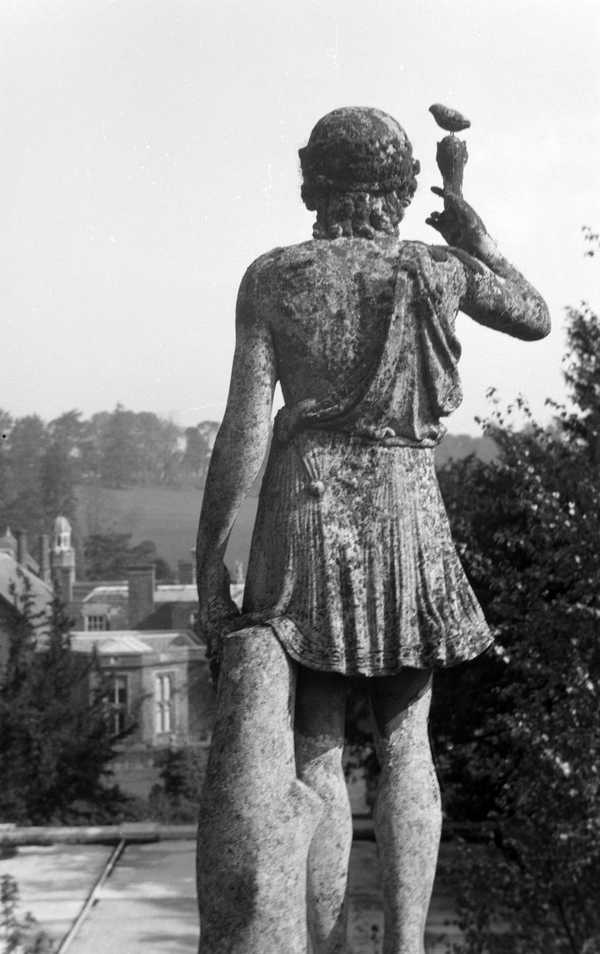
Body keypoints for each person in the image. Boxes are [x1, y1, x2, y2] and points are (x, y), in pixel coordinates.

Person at [196, 107, 550, 954]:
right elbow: (534, 314)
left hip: (309, 507)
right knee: (408, 739)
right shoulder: (439, 268)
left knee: (317, 743)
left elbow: (244, 429)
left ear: (312, 183)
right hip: (405, 502)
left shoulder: (275, 278)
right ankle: (406, 946)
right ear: (400, 188)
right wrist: (472, 231)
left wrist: (211, 555)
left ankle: (327, 944)